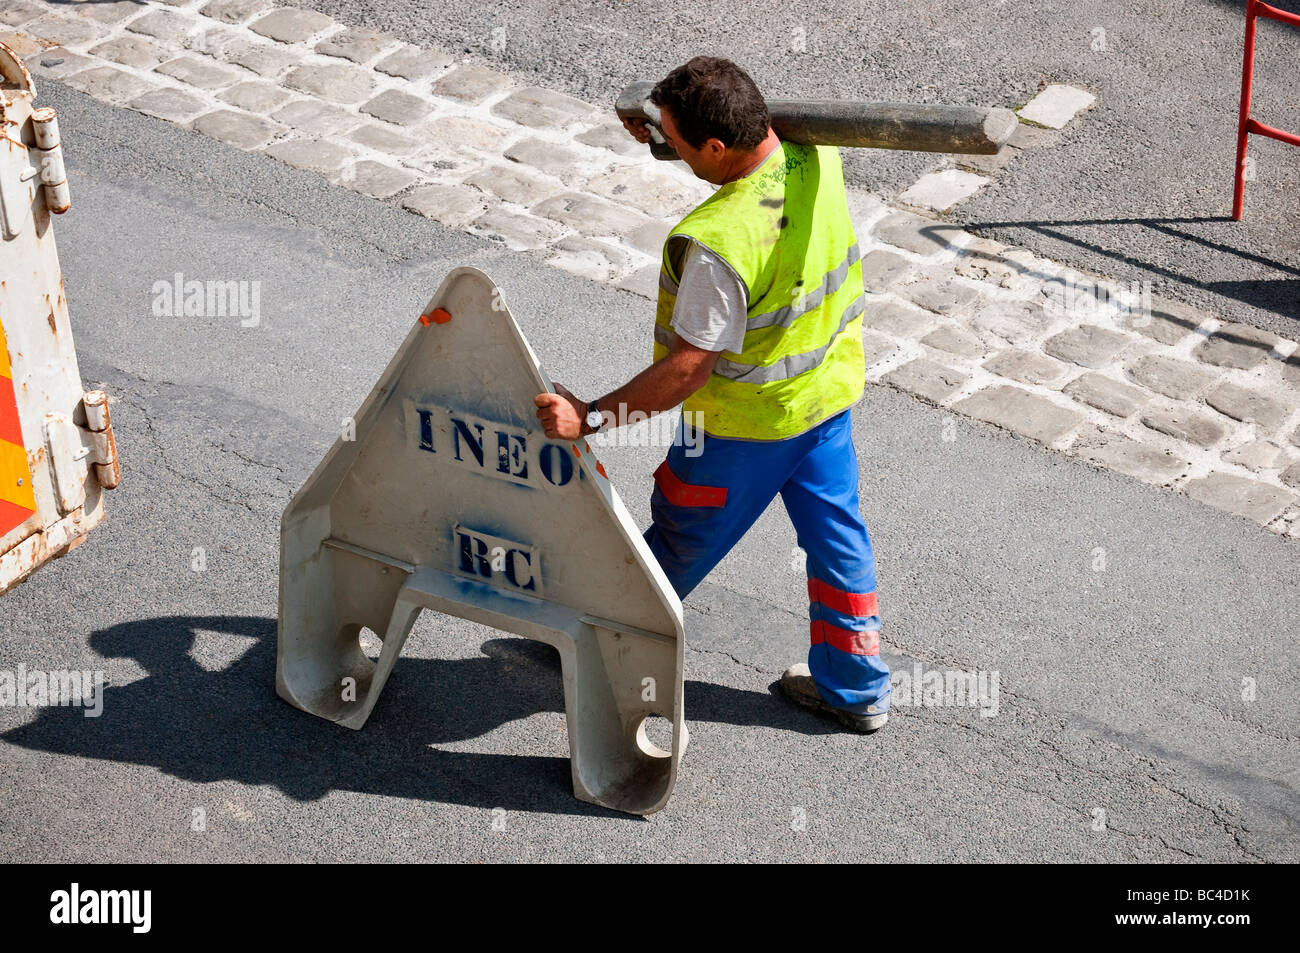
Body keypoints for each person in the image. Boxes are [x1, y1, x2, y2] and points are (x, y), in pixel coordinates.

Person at [533, 56, 891, 732]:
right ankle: (857, 687)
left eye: (677, 139)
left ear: (717, 146)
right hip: (822, 403)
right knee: (838, 540)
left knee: (680, 534)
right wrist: (661, 127)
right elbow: (741, 150)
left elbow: (687, 370)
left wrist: (592, 417)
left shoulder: (720, 246)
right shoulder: (816, 153)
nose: (668, 148)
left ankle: (600, 634)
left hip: (742, 429)